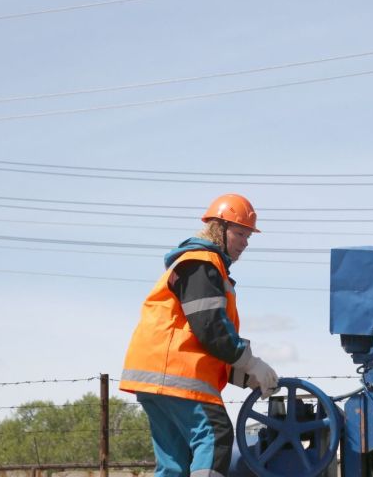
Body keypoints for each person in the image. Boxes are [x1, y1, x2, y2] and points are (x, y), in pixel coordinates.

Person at [119, 193, 279, 477]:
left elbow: (205, 341)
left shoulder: (201, 267)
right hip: (177, 376)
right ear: (219, 228)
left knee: (175, 462)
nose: (245, 242)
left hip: (156, 376)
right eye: (240, 233)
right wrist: (250, 362)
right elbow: (211, 329)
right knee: (216, 437)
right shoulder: (202, 264)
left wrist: (247, 376)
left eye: (248, 237)